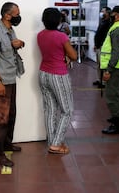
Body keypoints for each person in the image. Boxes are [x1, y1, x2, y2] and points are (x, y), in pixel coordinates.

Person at [0, 2, 25, 167]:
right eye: (16, 13)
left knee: (11, 114)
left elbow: (7, 50)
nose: (18, 16)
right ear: (7, 15)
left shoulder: (10, 30)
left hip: (11, 78)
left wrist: (18, 44)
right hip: (1, 81)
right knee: (0, 118)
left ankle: (7, 144)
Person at [37, 8, 77, 154]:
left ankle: (52, 142)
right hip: (58, 75)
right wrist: (67, 54)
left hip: (43, 74)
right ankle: (56, 144)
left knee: (50, 110)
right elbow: (73, 55)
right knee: (67, 110)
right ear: (59, 20)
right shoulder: (61, 36)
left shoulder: (40, 35)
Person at [100, 5, 119, 134]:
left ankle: (116, 125)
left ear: (118, 15)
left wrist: (108, 70)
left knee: (112, 95)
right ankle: (118, 118)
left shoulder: (118, 30)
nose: (110, 16)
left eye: (112, 14)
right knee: (117, 94)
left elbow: (116, 52)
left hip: (115, 68)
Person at [93, 7, 111, 88]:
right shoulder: (102, 22)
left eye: (103, 11)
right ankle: (99, 79)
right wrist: (96, 45)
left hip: (103, 47)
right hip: (98, 46)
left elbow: (104, 36)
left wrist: (100, 45)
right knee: (98, 64)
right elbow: (98, 34)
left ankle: (103, 82)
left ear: (107, 13)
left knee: (103, 65)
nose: (101, 13)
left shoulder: (109, 23)